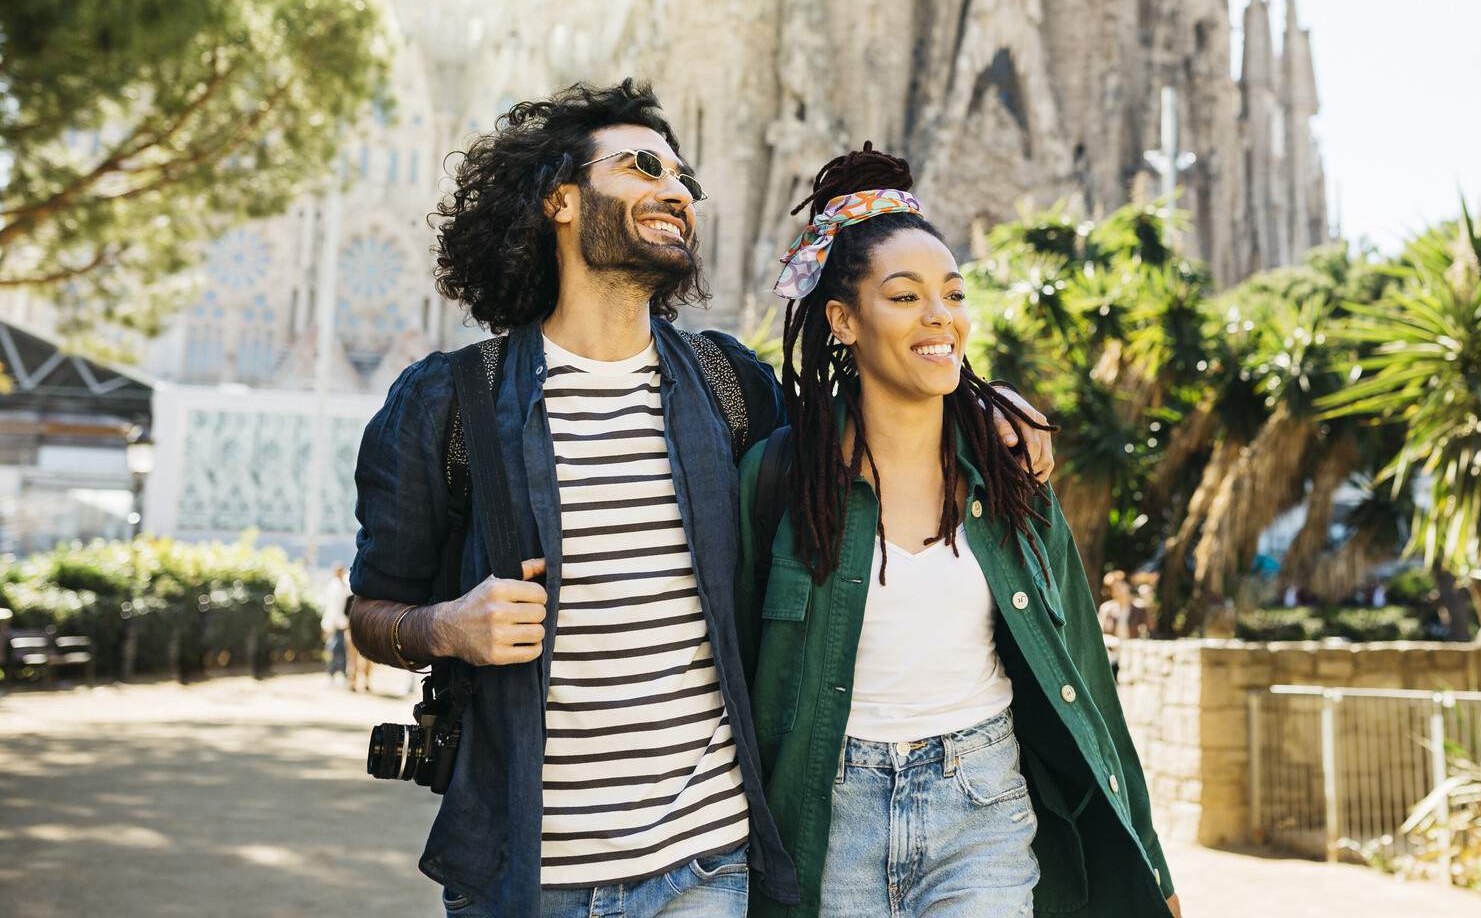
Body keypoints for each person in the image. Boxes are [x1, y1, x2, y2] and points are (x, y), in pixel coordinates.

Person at [345, 81, 1054, 918]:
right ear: (560, 200)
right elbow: (371, 613)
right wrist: (444, 627)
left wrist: (982, 402)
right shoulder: (450, 405)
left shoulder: (729, 389)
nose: (676, 190)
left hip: (707, 868)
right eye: (643, 165)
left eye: (686, 178)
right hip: (527, 875)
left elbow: (875, 427)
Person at [737, 145, 1180, 918]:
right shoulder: (781, 479)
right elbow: (737, 673)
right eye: (905, 297)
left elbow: (1085, 673)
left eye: (952, 293)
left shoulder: (1010, 476)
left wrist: (1150, 865)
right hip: (829, 817)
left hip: (982, 808)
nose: (939, 315)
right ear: (843, 320)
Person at [320, 564, 352, 685]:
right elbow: (331, 608)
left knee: (341, 650)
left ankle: (341, 674)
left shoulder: (344, 585)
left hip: (341, 624)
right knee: (334, 650)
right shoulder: (333, 586)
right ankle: (332, 674)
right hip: (334, 624)